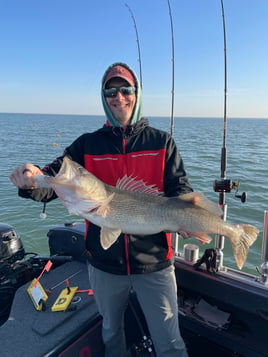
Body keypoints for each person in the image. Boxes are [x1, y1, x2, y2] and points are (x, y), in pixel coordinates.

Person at [10, 62, 192, 357]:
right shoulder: (86, 145)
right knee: (111, 334)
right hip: (105, 265)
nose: (119, 97)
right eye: (111, 92)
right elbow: (51, 180)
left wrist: (186, 217)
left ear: (137, 93)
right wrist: (30, 180)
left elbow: (179, 189)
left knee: (170, 344)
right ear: (103, 98)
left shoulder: (162, 142)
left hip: (155, 263)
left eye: (125, 89)